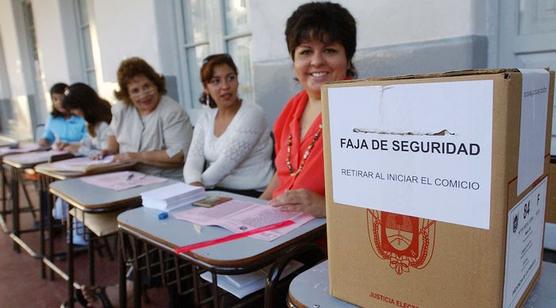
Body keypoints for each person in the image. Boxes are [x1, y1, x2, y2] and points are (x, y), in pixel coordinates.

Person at [260, 1, 357, 220]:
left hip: (326, 241)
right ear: (294, 60)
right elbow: (283, 173)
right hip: (277, 232)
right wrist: (255, 209)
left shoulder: (363, 114)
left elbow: (383, 199)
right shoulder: (291, 109)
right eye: (305, 52)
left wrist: (326, 208)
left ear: (348, 59)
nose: (316, 61)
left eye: (330, 50)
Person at [183, 54, 274, 197]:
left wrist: (196, 189)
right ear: (206, 88)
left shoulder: (252, 113)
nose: (225, 86)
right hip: (215, 191)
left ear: (237, 81)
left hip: (252, 193)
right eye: (216, 81)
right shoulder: (206, 117)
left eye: (230, 78)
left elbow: (225, 164)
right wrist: (193, 184)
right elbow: (193, 159)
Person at [102, 57, 194, 181]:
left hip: (166, 182)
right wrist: (107, 152)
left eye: (146, 86)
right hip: (128, 179)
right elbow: (112, 138)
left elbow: (178, 155)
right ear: (127, 95)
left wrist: (137, 156)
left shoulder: (172, 111)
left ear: (156, 84)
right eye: (135, 90)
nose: (143, 95)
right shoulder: (121, 110)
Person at [51, 82, 113, 246]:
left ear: (84, 105)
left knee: (76, 187)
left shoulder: (105, 122)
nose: (75, 114)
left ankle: (76, 231)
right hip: (98, 168)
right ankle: (72, 227)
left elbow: (106, 151)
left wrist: (82, 150)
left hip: (109, 171)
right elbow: (88, 145)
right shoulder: (90, 122)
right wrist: (71, 146)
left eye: (75, 110)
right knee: (69, 184)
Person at [61, 83, 113, 157]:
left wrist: (80, 149)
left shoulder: (104, 124)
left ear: (84, 105)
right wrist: (69, 145)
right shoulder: (90, 121)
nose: (72, 112)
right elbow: (88, 143)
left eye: (73, 108)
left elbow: (106, 154)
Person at [38, 83, 86, 149]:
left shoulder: (81, 116)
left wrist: (69, 145)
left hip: (80, 153)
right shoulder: (52, 118)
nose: (59, 102)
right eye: (55, 99)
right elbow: (48, 136)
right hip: (60, 154)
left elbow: (89, 141)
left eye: (63, 98)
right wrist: (45, 141)